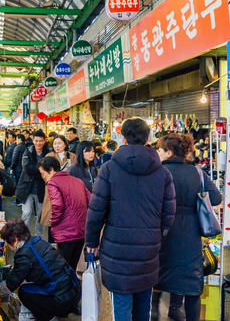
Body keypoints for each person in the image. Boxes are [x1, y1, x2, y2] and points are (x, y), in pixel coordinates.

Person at [86, 117, 176, 321]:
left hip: (117, 248)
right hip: (148, 247)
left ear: (123, 139)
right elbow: (168, 213)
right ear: (148, 139)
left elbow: (96, 210)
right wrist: (157, 234)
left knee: (121, 306)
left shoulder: (109, 168)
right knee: (143, 304)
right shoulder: (162, 172)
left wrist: (91, 241)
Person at [152, 134, 222, 321]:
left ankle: (154, 311)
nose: (157, 152)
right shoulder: (198, 173)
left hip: (163, 229)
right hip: (191, 232)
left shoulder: (157, 172)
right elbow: (216, 198)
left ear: (169, 152)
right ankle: (183, 313)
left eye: (160, 149)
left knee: (158, 272)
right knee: (190, 280)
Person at [0, 219, 80, 321]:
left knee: (24, 292)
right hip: (73, 293)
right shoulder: (37, 241)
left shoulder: (23, 255)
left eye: (7, 242)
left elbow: (11, 284)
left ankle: (49, 318)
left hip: (62, 301)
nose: (7, 245)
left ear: (15, 240)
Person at [38, 157, 91, 270]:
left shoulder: (53, 182)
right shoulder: (77, 180)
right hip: (81, 229)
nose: (43, 177)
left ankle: (66, 287)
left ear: (51, 170)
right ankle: (73, 286)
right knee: (72, 265)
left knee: (63, 267)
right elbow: (90, 200)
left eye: (43, 173)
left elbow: (57, 207)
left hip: (66, 231)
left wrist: (53, 222)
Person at [41, 135, 76, 237]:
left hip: (69, 190)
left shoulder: (73, 157)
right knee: (53, 215)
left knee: (67, 217)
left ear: (65, 144)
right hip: (53, 190)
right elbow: (44, 174)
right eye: (55, 143)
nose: (57, 145)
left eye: (59, 143)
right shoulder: (49, 156)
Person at [16, 130, 49, 236]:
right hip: (27, 187)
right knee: (27, 213)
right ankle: (24, 236)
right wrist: (42, 171)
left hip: (42, 189)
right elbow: (27, 168)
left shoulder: (48, 153)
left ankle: (38, 236)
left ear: (44, 141)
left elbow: (50, 170)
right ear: (33, 140)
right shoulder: (27, 151)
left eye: (40, 141)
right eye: (36, 141)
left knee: (40, 215)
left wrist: (37, 170)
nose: (38, 143)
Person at [11, 134, 26, 206]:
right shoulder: (25, 147)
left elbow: (14, 159)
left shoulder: (18, 147)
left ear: (20, 139)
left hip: (18, 169)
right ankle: (22, 200)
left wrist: (12, 167)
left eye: (17, 139)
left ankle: (18, 201)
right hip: (23, 169)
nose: (16, 141)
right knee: (22, 185)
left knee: (18, 185)